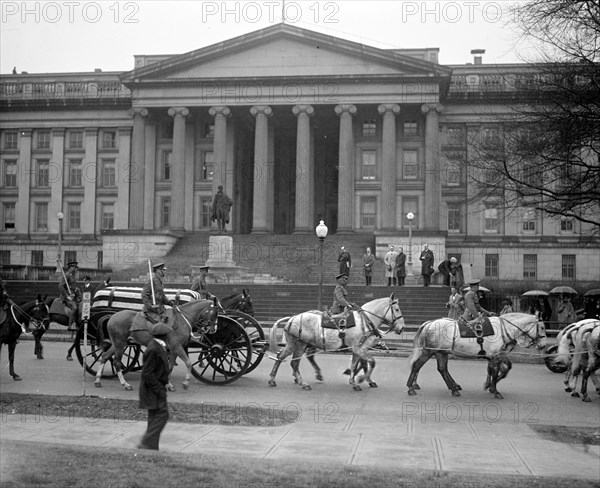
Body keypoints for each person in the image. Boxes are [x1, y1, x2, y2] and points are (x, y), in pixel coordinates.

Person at [137, 334, 170, 450]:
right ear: (164, 336)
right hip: (152, 390)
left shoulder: (157, 346)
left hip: (154, 388)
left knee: (153, 417)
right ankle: (146, 443)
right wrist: (159, 389)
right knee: (163, 415)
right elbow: (147, 373)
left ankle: (152, 447)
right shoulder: (153, 349)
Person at [141, 262, 174, 328]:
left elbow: (162, 296)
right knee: (162, 326)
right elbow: (144, 295)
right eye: (163, 270)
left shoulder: (159, 282)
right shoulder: (151, 281)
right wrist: (150, 306)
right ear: (158, 270)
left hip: (160, 309)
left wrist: (170, 303)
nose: (165, 272)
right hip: (151, 311)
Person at [58, 261, 82, 331]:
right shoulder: (67, 275)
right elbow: (61, 286)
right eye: (74, 267)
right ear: (70, 267)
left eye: (75, 267)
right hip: (66, 297)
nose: (75, 268)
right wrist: (67, 295)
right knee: (74, 308)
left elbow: (73, 287)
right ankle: (69, 325)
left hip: (73, 296)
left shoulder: (73, 276)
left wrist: (77, 293)